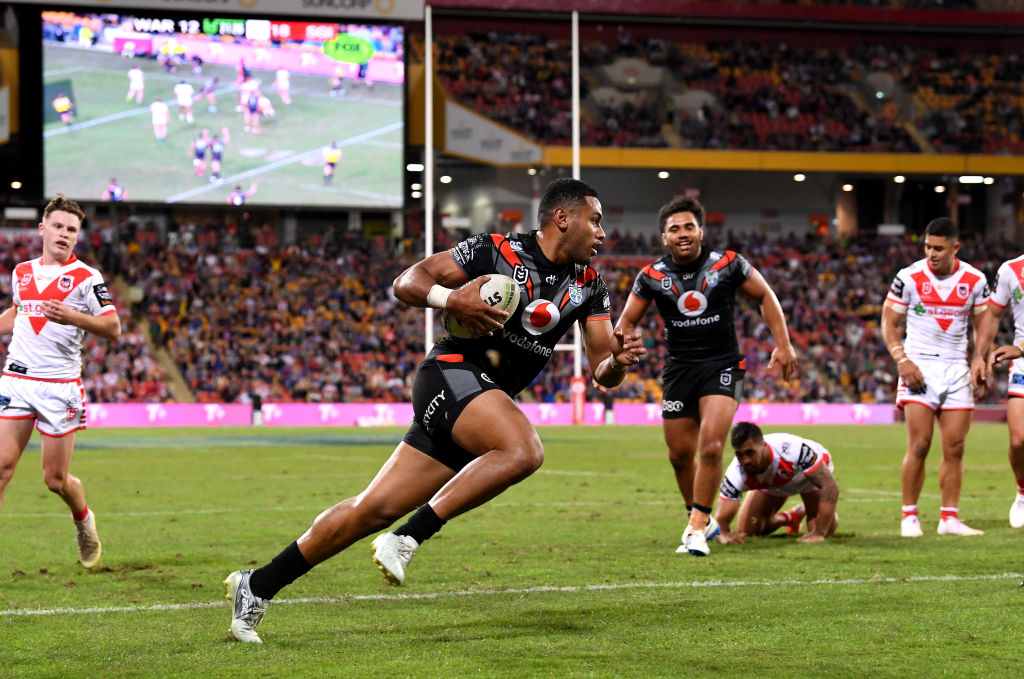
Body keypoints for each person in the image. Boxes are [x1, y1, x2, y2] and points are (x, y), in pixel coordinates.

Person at [222, 177, 645, 643]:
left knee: (370, 510)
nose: (603, 233)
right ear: (563, 218)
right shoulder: (495, 250)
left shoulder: (590, 286)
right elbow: (408, 282)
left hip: (479, 402)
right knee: (523, 449)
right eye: (596, 220)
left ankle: (257, 585)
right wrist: (452, 298)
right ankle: (410, 537)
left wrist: (618, 363)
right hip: (451, 371)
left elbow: (601, 368)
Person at [614, 195, 797, 557]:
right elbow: (626, 322)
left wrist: (784, 343)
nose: (682, 234)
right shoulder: (651, 276)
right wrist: (619, 352)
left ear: (701, 230)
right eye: (673, 229)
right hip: (679, 368)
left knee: (711, 445)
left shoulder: (728, 264)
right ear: (664, 237)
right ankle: (699, 517)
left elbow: (765, 295)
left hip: (723, 365)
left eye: (688, 227)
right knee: (679, 454)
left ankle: (696, 527)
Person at [0, 195, 122, 568]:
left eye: (71, 229)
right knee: (2, 466)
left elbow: (113, 328)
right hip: (17, 379)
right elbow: (19, 313)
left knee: (54, 480)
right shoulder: (22, 272)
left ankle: (83, 519)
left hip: (59, 388)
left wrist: (74, 317)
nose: (64, 234)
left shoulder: (87, 278)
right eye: (58, 226)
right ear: (42, 229)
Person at [880, 217, 990, 538]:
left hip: (957, 369)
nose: (932, 253)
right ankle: (909, 516)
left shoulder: (975, 280)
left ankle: (949, 518)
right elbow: (888, 323)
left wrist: (980, 357)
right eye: (928, 246)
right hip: (919, 367)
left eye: (939, 248)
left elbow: (984, 323)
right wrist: (902, 361)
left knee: (955, 447)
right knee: (919, 444)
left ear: (955, 247)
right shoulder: (909, 277)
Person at [714, 422, 839, 545]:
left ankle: (827, 518)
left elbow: (830, 486)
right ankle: (792, 516)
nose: (745, 460)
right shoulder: (736, 473)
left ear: (763, 445)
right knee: (749, 530)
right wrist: (724, 534)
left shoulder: (795, 450)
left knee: (822, 529)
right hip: (773, 482)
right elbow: (721, 521)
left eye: (750, 453)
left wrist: (819, 532)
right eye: (740, 455)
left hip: (807, 478)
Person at [973, 251, 1024, 527]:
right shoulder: (1011, 270)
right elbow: (992, 316)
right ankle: (1022, 492)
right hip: (1023, 364)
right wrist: (981, 357)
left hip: (1021, 351)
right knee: (1019, 441)